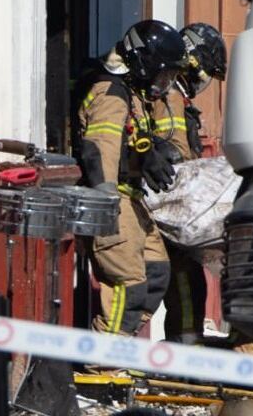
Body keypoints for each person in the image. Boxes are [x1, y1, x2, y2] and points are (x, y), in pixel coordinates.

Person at [75, 20, 187, 336]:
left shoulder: (130, 91)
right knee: (129, 284)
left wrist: (151, 149)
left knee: (156, 272)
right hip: (113, 200)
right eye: (163, 73)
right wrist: (106, 201)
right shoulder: (110, 91)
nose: (164, 81)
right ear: (143, 62)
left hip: (132, 198)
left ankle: (119, 343)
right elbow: (101, 147)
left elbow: (129, 139)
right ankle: (103, 364)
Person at [160, 23, 227, 344]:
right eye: (206, 74)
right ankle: (184, 348)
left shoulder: (178, 97)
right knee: (184, 281)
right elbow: (176, 152)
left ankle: (186, 344)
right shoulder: (171, 96)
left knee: (188, 281)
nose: (204, 82)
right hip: (171, 203)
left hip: (178, 203)